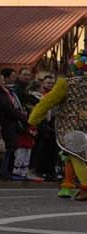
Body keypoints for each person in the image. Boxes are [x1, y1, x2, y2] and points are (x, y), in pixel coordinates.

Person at [28, 53, 87, 202]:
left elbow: (47, 102)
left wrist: (33, 119)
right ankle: (67, 185)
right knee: (71, 156)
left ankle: (85, 187)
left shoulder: (65, 83)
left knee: (75, 155)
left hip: (71, 126)